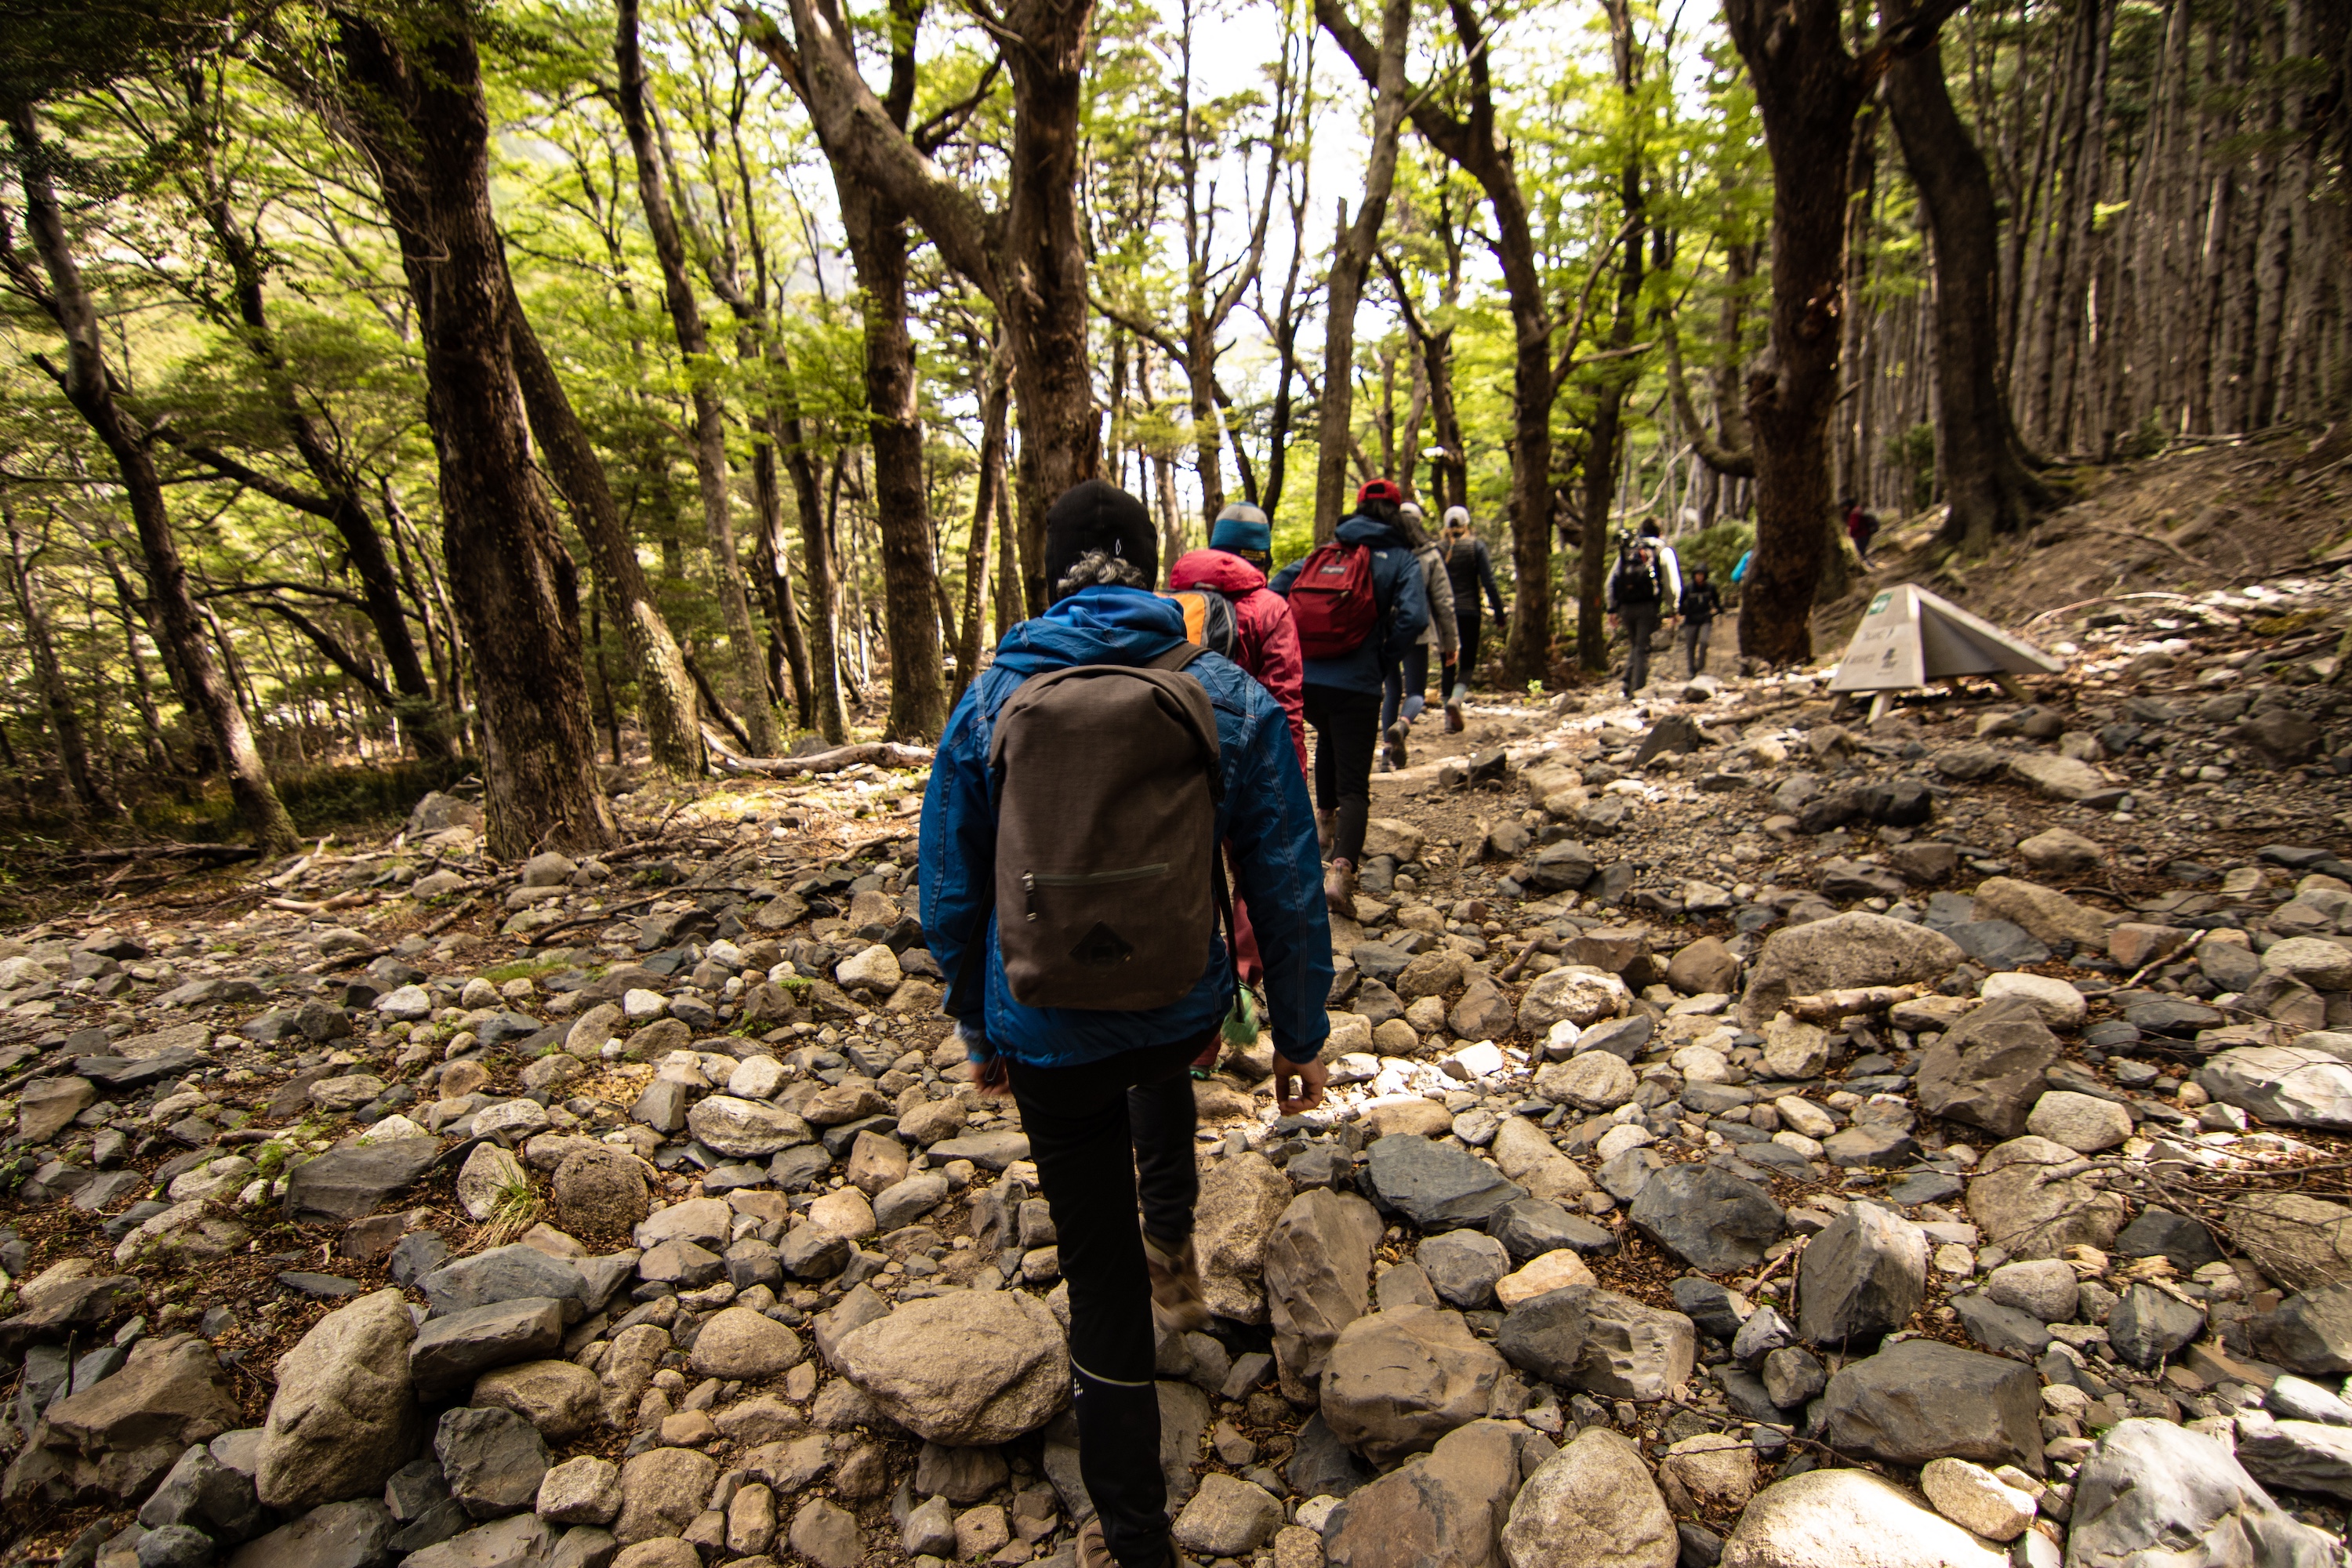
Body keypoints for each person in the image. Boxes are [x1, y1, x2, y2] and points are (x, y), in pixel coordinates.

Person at [920, 479, 1334, 1568]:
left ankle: (1137, 1536)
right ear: (1151, 567)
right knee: (1159, 1070)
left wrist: (977, 1030)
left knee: (1093, 1278)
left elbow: (950, 895)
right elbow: (1284, 878)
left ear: (1047, 572)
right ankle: (1174, 1240)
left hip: (1042, 1021)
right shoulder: (1221, 693)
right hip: (1177, 1010)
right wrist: (1298, 1033)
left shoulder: (988, 702)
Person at [1270, 477, 1428, 912]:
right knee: (1356, 784)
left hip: (1308, 680)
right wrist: (1383, 657)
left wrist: (1292, 648)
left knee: (1329, 748)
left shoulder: (1325, 552)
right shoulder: (1401, 559)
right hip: (1357, 684)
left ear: (1357, 509)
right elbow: (1414, 617)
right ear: (1396, 513)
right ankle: (1341, 874)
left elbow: (1274, 591)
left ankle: (1323, 830)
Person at [1168, 503, 1308, 775]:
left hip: (1178, 753)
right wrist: (1295, 779)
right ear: (1262, 554)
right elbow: (1285, 703)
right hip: (1243, 760)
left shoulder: (1170, 599)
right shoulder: (1271, 608)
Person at [1377, 503, 1455, 771]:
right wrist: (1450, 643)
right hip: (1417, 632)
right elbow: (1444, 602)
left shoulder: (1384, 551)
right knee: (1416, 692)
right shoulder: (1430, 554)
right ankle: (1404, 724)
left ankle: (1387, 753)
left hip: (1386, 631)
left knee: (1392, 692)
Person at [1438, 506, 1504, 731]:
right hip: (1470, 613)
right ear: (1467, 524)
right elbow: (1489, 582)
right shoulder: (1476, 546)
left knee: (1447, 664)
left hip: (1444, 614)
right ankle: (1456, 700)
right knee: (1466, 664)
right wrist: (1499, 613)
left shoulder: (1439, 548)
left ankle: (1448, 719)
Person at [1604, 528, 1674, 699]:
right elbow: (1672, 583)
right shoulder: (1661, 550)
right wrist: (1674, 608)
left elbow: (1611, 582)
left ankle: (1626, 684)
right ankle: (1637, 690)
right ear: (1660, 533)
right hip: (1647, 607)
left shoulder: (1629, 550)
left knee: (1635, 645)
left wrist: (1611, 609)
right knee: (1641, 647)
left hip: (1626, 607)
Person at [1679, 563, 1722, 678]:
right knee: (1690, 645)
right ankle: (1691, 670)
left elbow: (1716, 602)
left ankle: (1701, 668)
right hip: (1691, 620)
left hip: (1705, 619)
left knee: (1704, 642)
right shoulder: (1688, 588)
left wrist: (1719, 610)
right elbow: (1681, 604)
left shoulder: (1710, 588)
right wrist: (1681, 613)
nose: (1699, 577)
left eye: (1701, 575)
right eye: (1697, 575)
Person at [1845, 499, 1878, 564]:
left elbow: (1855, 525)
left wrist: (1850, 534)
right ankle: (1869, 565)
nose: (1844, 508)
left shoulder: (1855, 513)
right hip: (1866, 534)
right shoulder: (1859, 510)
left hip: (1860, 536)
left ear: (1849, 506)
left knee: (1861, 553)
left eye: (1845, 506)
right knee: (1863, 553)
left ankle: (1869, 566)